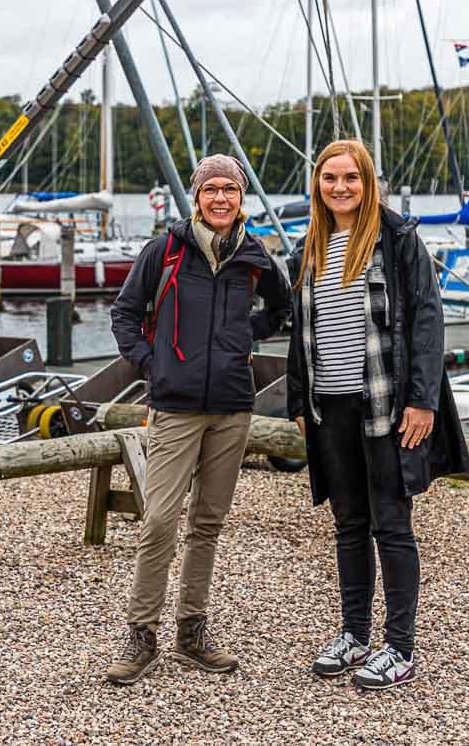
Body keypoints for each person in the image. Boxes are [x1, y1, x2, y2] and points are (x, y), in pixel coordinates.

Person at [285, 139, 469, 691]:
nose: (340, 188)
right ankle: (354, 632)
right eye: (329, 178)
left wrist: (423, 400)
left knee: (391, 523)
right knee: (348, 523)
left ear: (368, 182)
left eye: (350, 178)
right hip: (330, 405)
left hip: (386, 403)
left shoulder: (398, 241)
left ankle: (400, 645)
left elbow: (427, 323)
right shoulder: (308, 248)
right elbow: (300, 333)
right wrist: (300, 402)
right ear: (317, 185)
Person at [106, 154, 291, 685]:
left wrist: (242, 341)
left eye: (229, 190)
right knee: (160, 519)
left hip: (233, 406)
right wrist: (152, 363)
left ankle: (191, 631)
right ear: (196, 196)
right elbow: (124, 313)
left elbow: (279, 310)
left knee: (208, 521)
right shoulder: (164, 251)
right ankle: (141, 632)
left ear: (241, 198)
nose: (220, 199)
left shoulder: (254, 258)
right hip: (175, 405)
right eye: (210, 189)